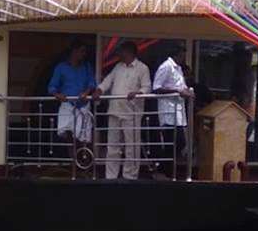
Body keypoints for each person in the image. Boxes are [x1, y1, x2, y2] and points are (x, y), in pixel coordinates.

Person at [93, 41, 151, 180]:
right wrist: (99, 90)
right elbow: (107, 81)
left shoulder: (142, 68)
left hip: (132, 113)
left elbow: (147, 87)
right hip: (114, 111)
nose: (118, 54)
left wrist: (137, 93)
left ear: (129, 52)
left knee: (131, 147)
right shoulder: (118, 67)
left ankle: (130, 176)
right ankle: (110, 176)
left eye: (121, 51)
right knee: (112, 147)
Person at [153, 45, 194, 177]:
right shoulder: (166, 67)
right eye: (182, 55)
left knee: (180, 142)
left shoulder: (179, 69)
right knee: (173, 142)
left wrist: (188, 92)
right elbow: (157, 88)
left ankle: (166, 169)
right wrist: (177, 91)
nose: (183, 59)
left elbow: (181, 86)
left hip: (179, 112)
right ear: (176, 55)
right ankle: (164, 170)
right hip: (168, 111)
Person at [47, 41, 96, 146]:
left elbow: (92, 83)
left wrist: (86, 92)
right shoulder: (61, 67)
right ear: (74, 51)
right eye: (82, 51)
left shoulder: (87, 66)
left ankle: (83, 161)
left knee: (83, 138)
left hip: (83, 105)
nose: (84, 54)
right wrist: (58, 95)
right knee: (68, 135)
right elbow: (52, 87)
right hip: (68, 104)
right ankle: (73, 161)